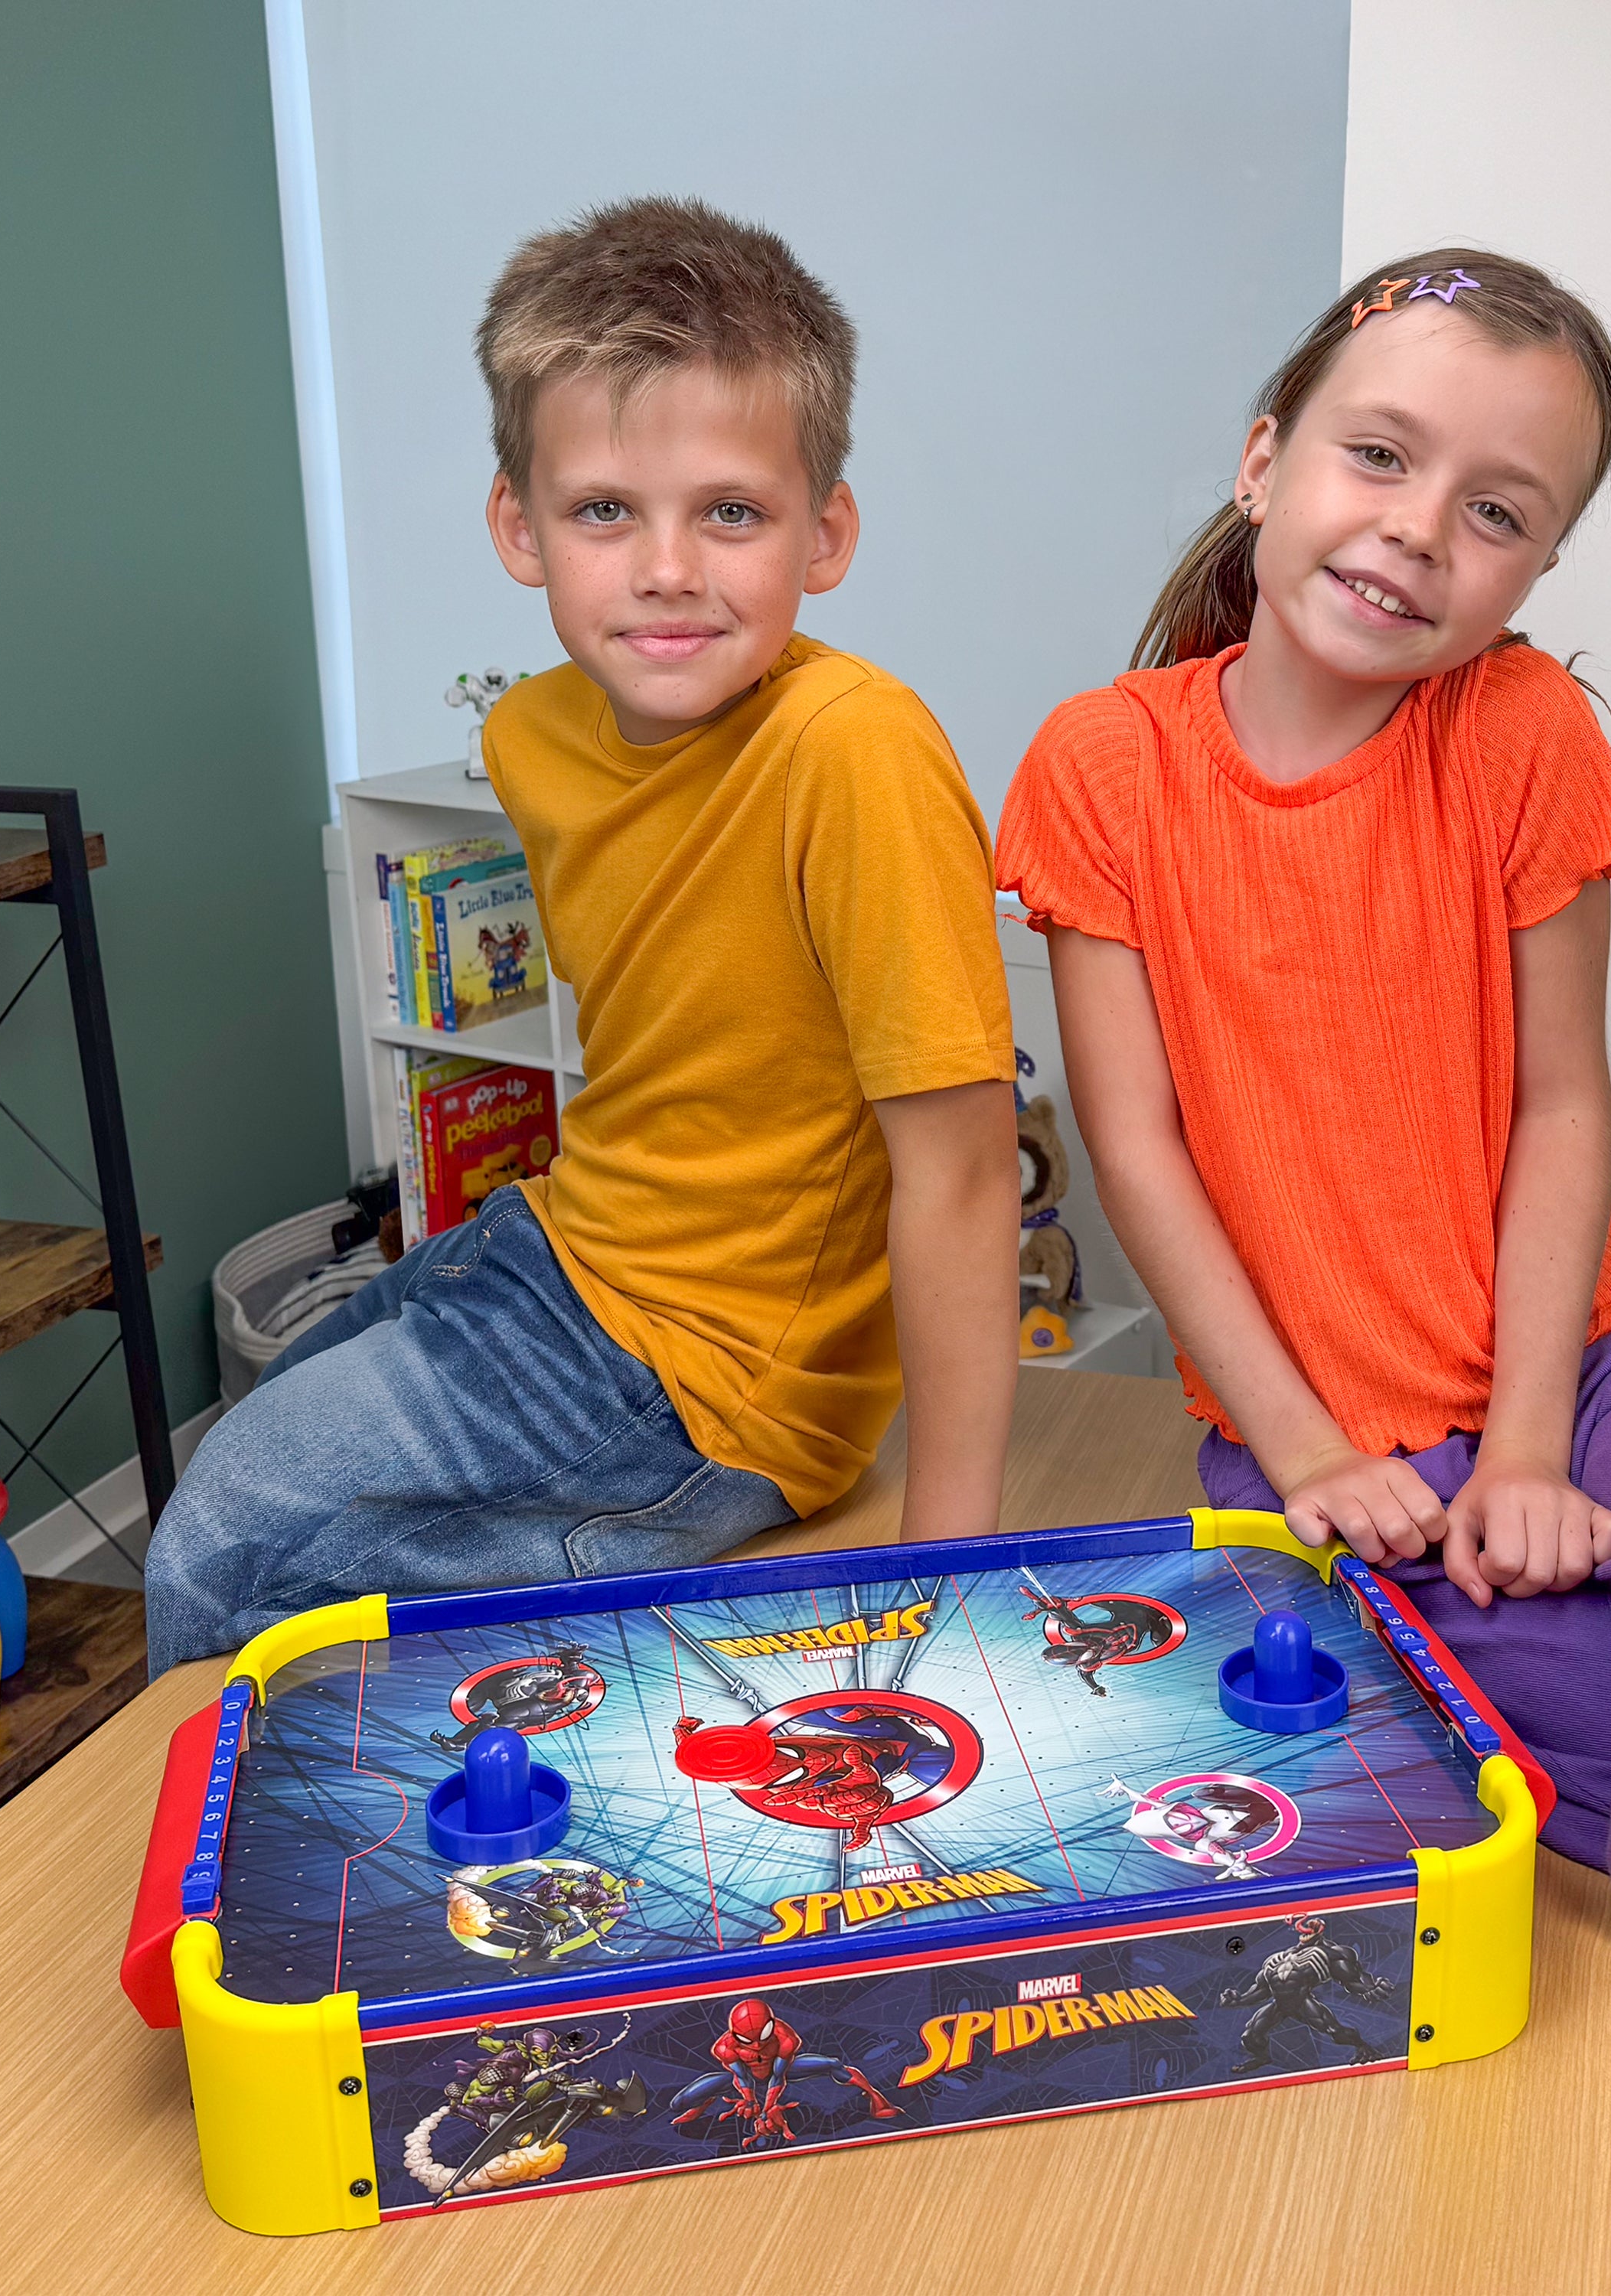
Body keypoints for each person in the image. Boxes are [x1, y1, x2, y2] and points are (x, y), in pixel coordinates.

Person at [996, 250, 1611, 2296]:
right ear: (1266, 462)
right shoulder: (1103, 766)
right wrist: (1302, 1450)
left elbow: (1561, 1104)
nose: (1418, 530)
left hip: (1602, 1372)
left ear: (1536, 571)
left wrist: (1532, 1444)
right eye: (1379, 456)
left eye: (1497, 508)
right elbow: (1137, 1146)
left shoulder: (1523, 731)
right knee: (1554, 1804)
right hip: (1311, 1442)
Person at [146, 198, 1016, 1672]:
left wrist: (949, 1560)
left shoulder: (851, 751)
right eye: (606, 511)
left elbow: (966, 1170)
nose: (668, 567)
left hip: (705, 1375)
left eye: (731, 512)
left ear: (825, 534)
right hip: (559, 1246)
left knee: (223, 1539)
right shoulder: (532, 734)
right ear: (520, 527)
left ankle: (240, 1826)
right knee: (257, 1420)